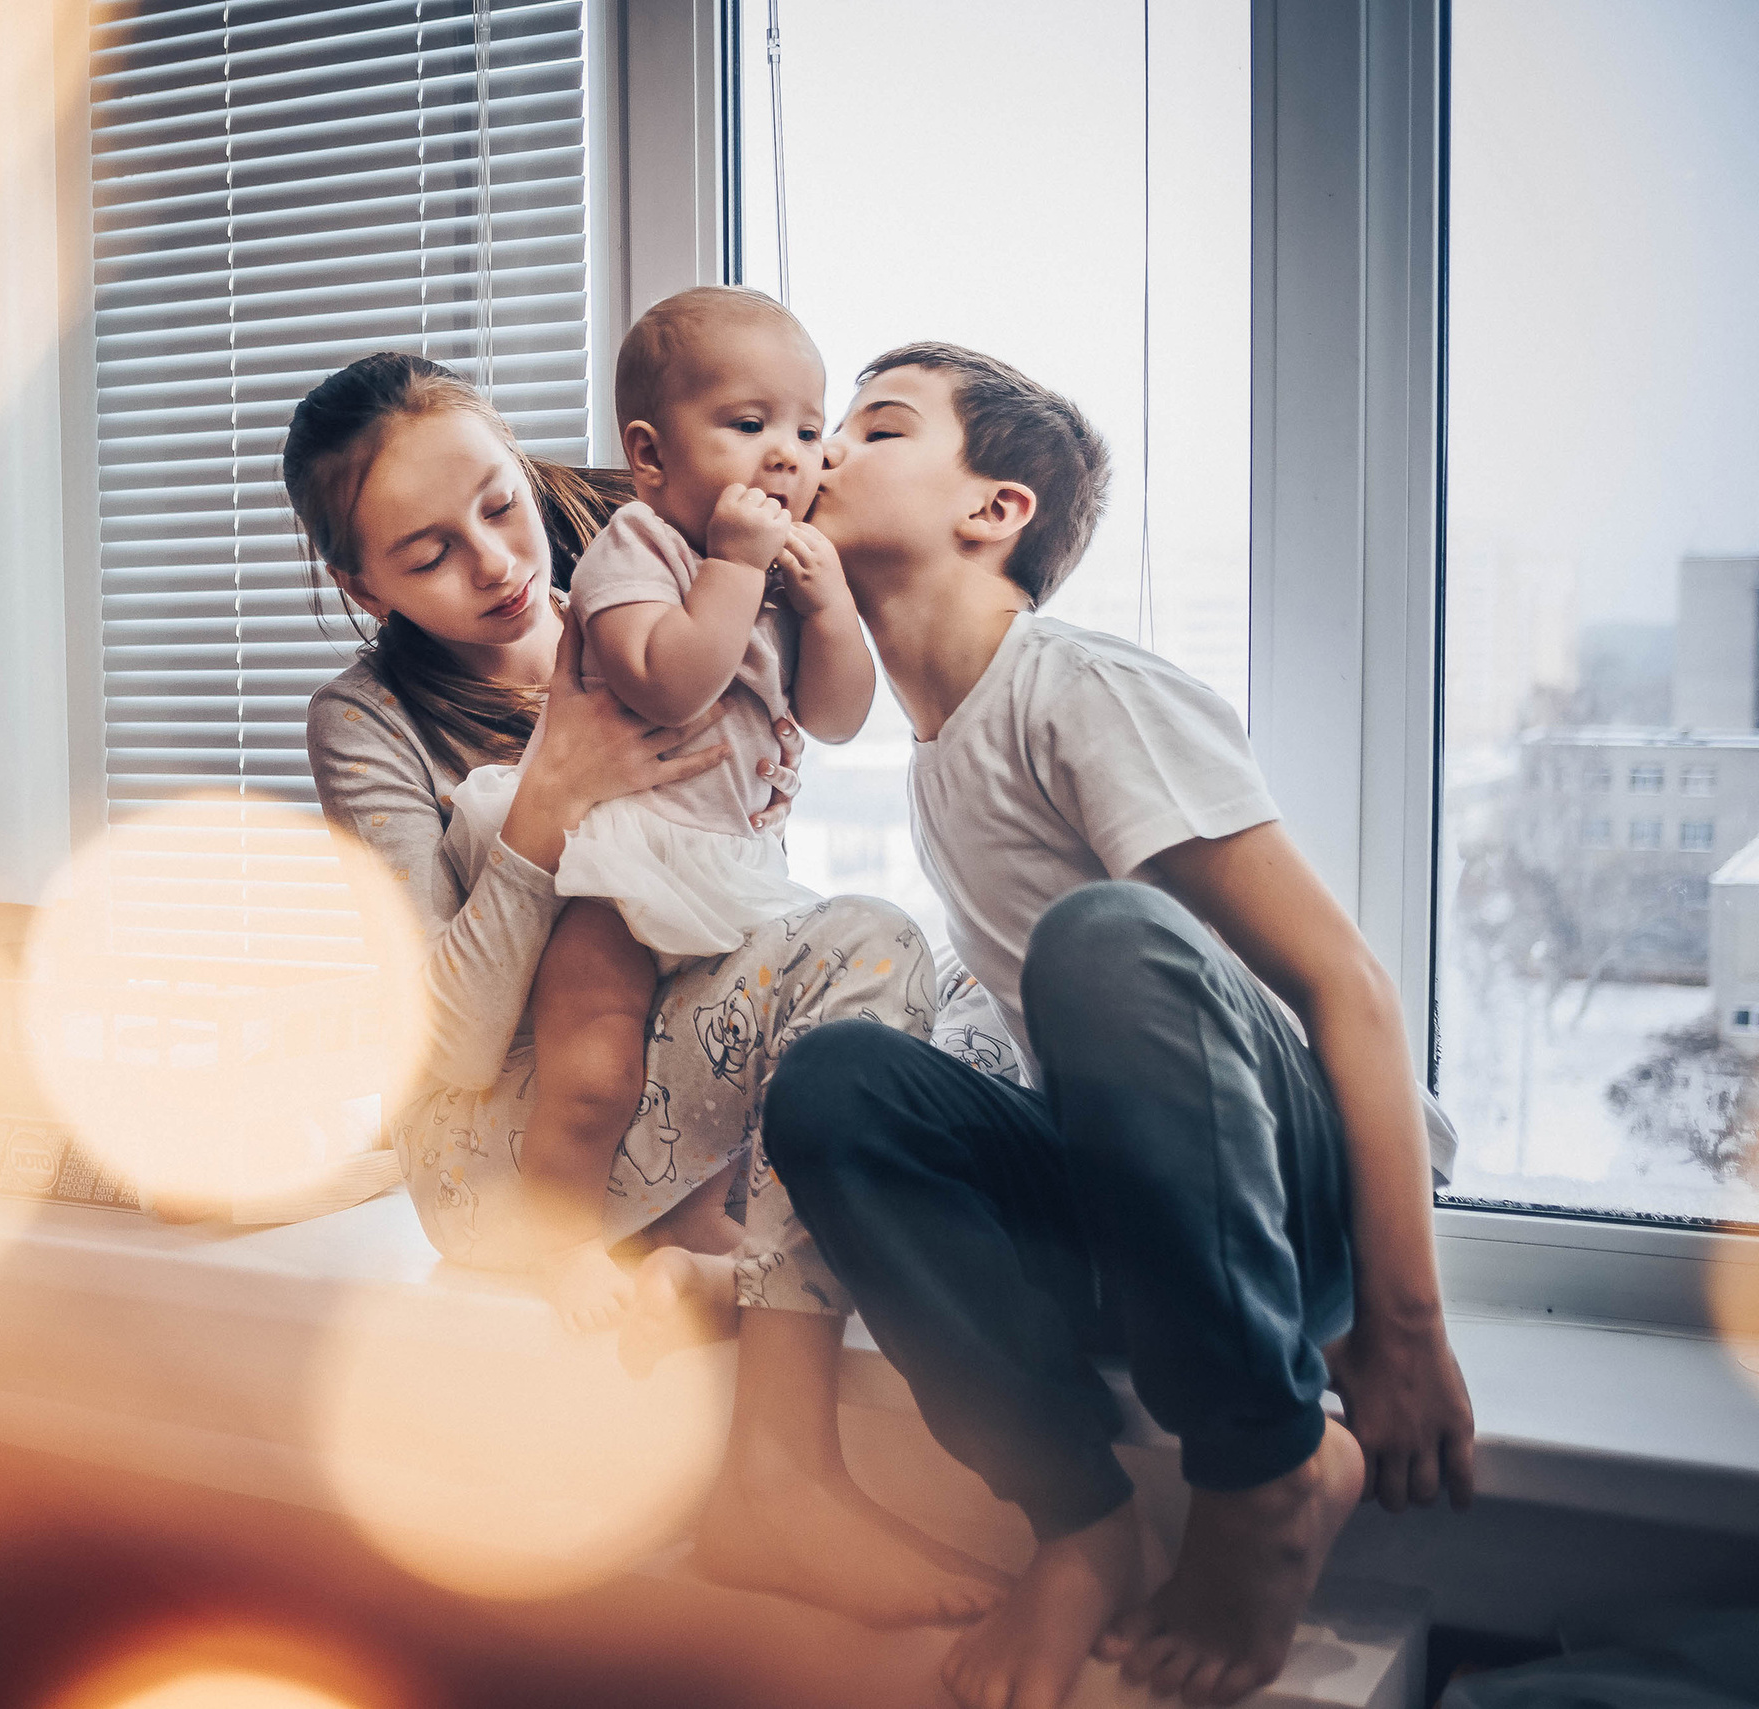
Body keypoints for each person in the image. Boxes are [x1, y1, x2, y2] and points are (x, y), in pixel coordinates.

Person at [763, 343, 1478, 1709]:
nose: (821, 449)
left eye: (877, 425)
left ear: (995, 513)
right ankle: (1079, 1519)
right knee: (839, 1080)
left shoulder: (1075, 689)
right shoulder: (932, 761)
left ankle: (1269, 1467)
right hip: (1151, 1224)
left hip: (1299, 1212)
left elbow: (1351, 986)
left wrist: (1401, 1326)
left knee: (1103, 938)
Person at [289, 350, 1002, 1627]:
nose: (497, 564)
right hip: (501, 1149)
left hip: (662, 1076)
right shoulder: (368, 718)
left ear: (525, 462)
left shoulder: (650, 563)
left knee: (935, 992)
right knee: (861, 949)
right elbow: (441, 1043)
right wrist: (552, 798)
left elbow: (777, 458)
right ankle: (778, 1479)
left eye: (499, 505)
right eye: (425, 553)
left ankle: (713, 1258)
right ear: (357, 582)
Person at [441, 286, 878, 1329]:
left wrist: (828, 608)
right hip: (623, 866)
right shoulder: (635, 547)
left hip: (730, 869)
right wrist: (733, 565)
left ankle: (688, 1231)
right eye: (748, 425)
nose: (788, 454)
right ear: (650, 455)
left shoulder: (780, 573)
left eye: (809, 431)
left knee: (717, 1094)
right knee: (592, 1071)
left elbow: (837, 714)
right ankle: (551, 1243)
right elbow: (665, 682)